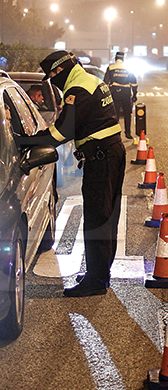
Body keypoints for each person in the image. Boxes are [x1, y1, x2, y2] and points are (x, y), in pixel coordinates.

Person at [17, 50, 126, 297]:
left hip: (101, 157)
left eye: (52, 76)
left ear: (59, 71)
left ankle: (96, 282)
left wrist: (25, 141)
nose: (52, 81)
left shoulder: (77, 90)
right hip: (112, 153)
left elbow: (62, 133)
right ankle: (101, 273)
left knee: (97, 218)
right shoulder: (90, 80)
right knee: (108, 217)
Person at [104, 51, 138, 139]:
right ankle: (128, 133)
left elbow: (105, 82)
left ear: (115, 58)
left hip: (115, 92)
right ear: (123, 58)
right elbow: (134, 82)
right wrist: (134, 94)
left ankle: (115, 134)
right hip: (126, 92)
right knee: (127, 113)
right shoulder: (128, 68)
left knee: (115, 114)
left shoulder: (111, 67)